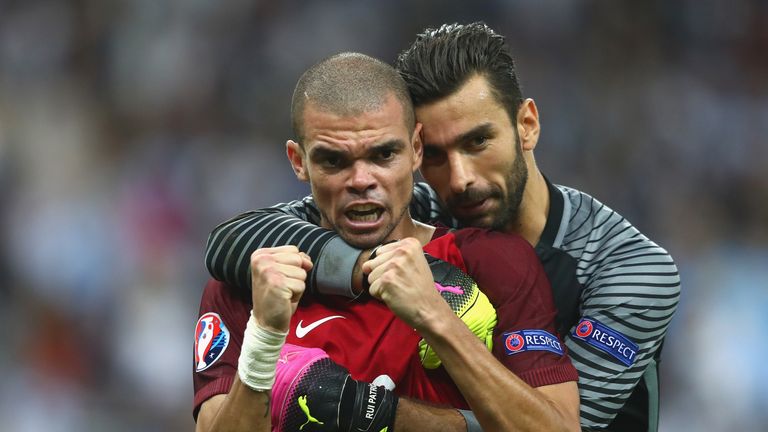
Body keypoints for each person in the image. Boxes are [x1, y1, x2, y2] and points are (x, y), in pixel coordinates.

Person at [205, 22, 681, 431]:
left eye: (478, 141)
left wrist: (368, 410)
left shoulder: (631, 271)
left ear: (528, 125)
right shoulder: (422, 208)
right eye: (435, 154)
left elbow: (563, 426)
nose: (461, 179)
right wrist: (365, 268)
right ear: (416, 151)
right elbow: (233, 240)